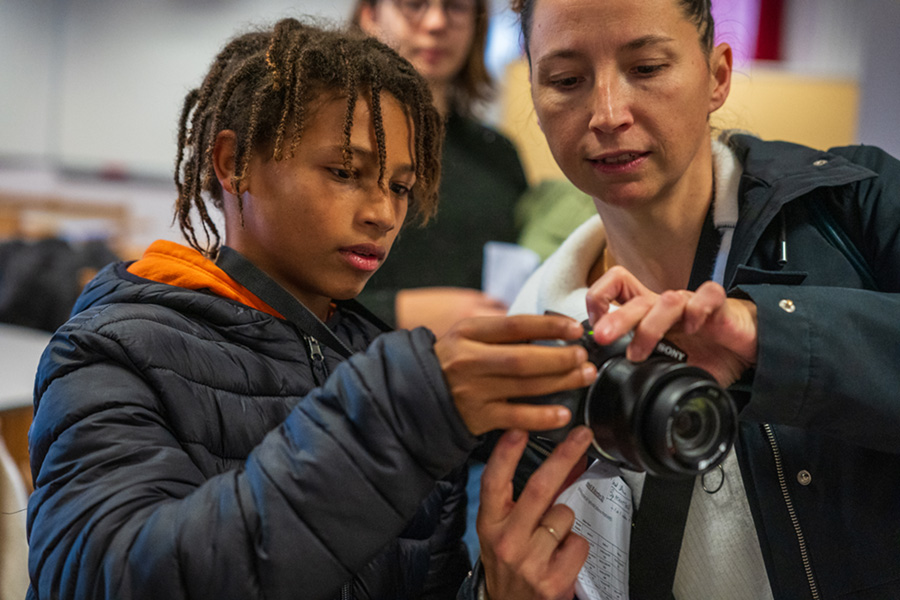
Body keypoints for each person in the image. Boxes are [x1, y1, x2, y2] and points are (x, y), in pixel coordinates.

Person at [24, 18, 601, 600]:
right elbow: (107, 578)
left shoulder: (380, 363)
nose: (383, 214)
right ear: (234, 162)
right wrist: (397, 425)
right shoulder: (111, 350)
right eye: (345, 172)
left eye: (400, 187)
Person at [461, 0, 900, 599]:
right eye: (566, 80)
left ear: (717, 76)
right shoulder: (536, 331)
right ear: (535, 99)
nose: (608, 114)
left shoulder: (848, 211)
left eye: (646, 68)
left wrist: (767, 334)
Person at [350, 0, 529, 338]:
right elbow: (287, 291)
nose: (435, 23)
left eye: (456, 7)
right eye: (414, 4)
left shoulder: (499, 154)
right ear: (370, 15)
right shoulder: (335, 146)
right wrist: (400, 312)